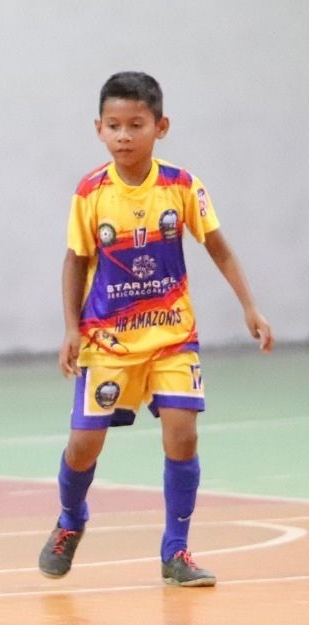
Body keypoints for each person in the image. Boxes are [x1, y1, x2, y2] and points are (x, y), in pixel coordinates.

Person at [39, 71, 274, 587]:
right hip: (108, 342)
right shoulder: (91, 192)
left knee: (183, 433)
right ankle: (71, 519)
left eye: (136, 124)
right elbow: (75, 261)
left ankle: (176, 551)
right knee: (83, 445)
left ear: (160, 127)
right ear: (98, 128)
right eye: (113, 125)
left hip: (171, 336)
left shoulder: (182, 186)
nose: (124, 135)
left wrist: (249, 307)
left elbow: (219, 247)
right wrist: (71, 328)